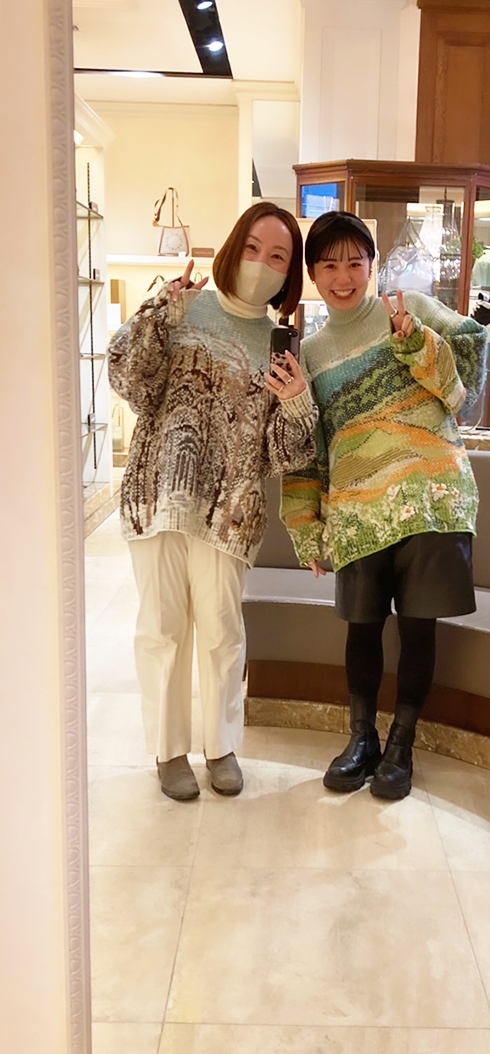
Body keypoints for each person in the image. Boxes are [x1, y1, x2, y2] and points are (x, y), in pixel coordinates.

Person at [108, 202, 317, 802]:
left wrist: (298, 400)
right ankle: (168, 750)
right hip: (159, 494)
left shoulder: (282, 347)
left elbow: (283, 453)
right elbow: (128, 379)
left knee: (223, 631)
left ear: (289, 273)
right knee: (162, 629)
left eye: (278, 256)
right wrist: (159, 311)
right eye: (252, 248)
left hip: (232, 511)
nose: (261, 264)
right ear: (231, 247)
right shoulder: (184, 308)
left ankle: (221, 745)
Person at [281, 211, 487, 800]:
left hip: (432, 499)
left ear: (372, 266)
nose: (343, 277)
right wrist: (306, 526)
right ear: (313, 275)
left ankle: (401, 745)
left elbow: (463, 391)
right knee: (362, 628)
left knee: (418, 629)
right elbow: (308, 447)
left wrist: (417, 343)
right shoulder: (310, 354)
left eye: (355, 262)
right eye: (329, 265)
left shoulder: (411, 309)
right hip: (357, 510)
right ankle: (361, 739)